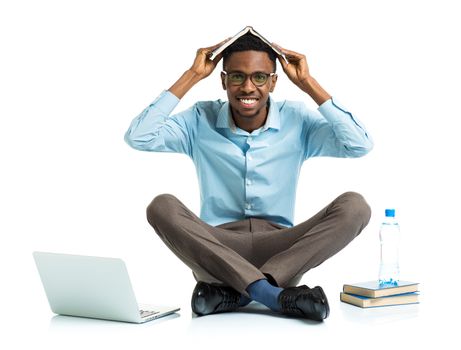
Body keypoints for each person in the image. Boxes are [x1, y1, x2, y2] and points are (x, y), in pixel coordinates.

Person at [124, 33, 373, 321]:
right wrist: (192, 75)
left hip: (281, 250)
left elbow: (359, 145)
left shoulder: (297, 119)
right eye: (237, 77)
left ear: (273, 82)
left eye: (259, 77)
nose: (248, 87)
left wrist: (308, 84)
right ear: (223, 80)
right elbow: (138, 137)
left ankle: (238, 291)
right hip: (217, 247)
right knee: (161, 206)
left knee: (355, 206)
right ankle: (272, 295)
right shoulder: (198, 119)